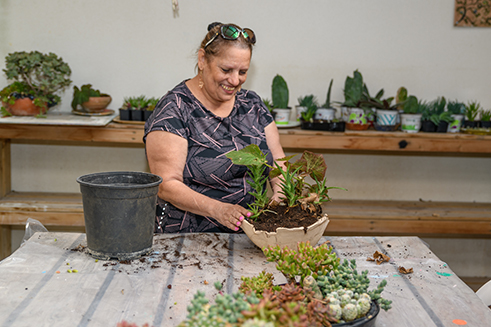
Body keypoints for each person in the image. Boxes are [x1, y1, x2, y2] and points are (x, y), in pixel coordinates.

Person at [144, 22, 285, 234]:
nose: (235, 80)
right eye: (226, 70)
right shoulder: (175, 109)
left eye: (243, 71)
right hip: (186, 238)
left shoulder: (252, 105)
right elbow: (166, 184)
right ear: (202, 60)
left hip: (250, 235)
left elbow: (278, 163)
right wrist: (218, 210)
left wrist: (281, 196)